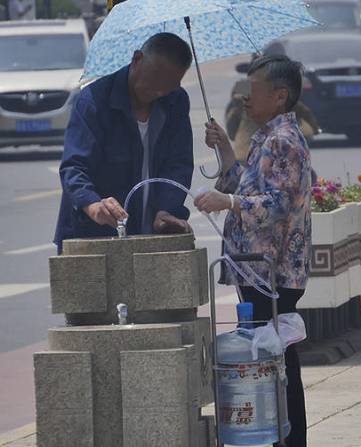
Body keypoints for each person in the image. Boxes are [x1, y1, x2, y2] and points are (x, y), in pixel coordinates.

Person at [194, 54, 312, 447]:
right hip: (254, 271)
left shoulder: (284, 141)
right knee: (271, 360)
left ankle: (288, 439)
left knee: (279, 364)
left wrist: (227, 204)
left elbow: (275, 204)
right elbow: (243, 185)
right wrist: (226, 149)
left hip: (272, 273)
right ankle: (280, 436)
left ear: (279, 96)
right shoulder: (266, 136)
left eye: (254, 90)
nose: (245, 97)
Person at [54, 33, 194, 253]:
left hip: (152, 232)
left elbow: (179, 164)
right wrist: (92, 205)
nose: (159, 90)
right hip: (94, 234)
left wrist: (167, 209)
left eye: (169, 85)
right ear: (137, 59)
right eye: (154, 79)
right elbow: (74, 167)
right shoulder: (93, 102)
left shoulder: (176, 101)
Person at [225, 78, 320, 163]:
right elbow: (306, 118)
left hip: (245, 155)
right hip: (276, 159)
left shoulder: (243, 87)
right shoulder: (283, 88)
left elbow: (232, 125)